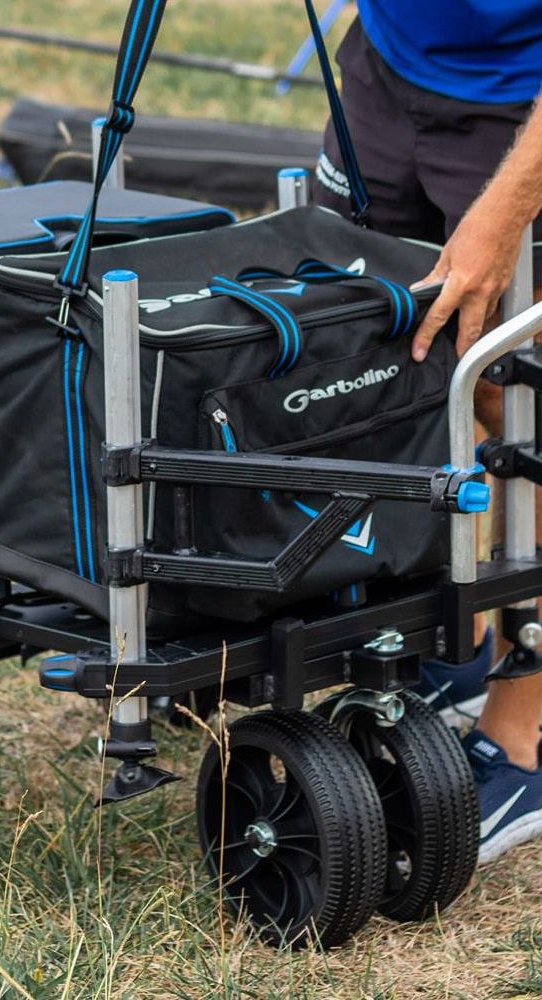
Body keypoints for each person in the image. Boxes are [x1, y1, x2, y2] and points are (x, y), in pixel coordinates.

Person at [313, 1, 542, 864]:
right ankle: (467, 641)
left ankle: (519, 742)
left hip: (522, 107)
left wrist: (503, 213)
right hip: (388, 67)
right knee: (375, 351)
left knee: (511, 397)